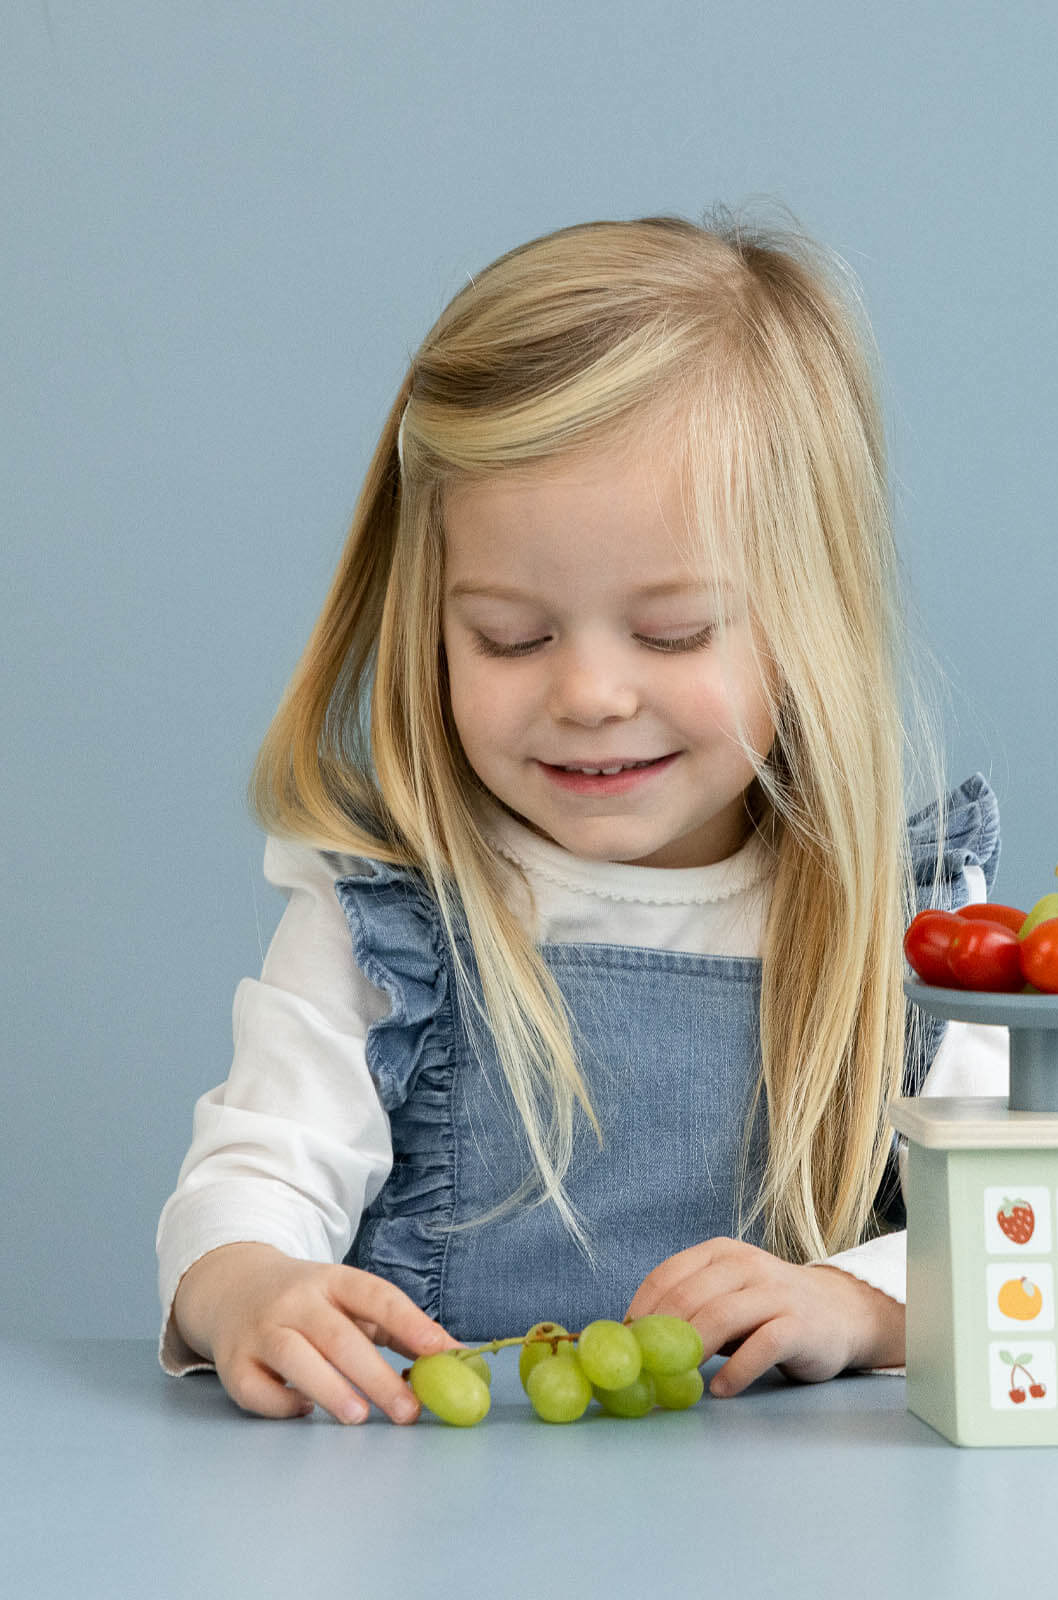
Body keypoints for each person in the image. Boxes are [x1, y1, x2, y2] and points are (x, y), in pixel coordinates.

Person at [156, 203, 1007, 1426]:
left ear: (809, 620)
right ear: (429, 617)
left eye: (672, 632)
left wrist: (863, 1302)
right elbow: (250, 1177)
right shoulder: (390, 917)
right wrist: (244, 1285)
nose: (590, 694)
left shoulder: (924, 928)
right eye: (510, 635)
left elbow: (1029, 1240)